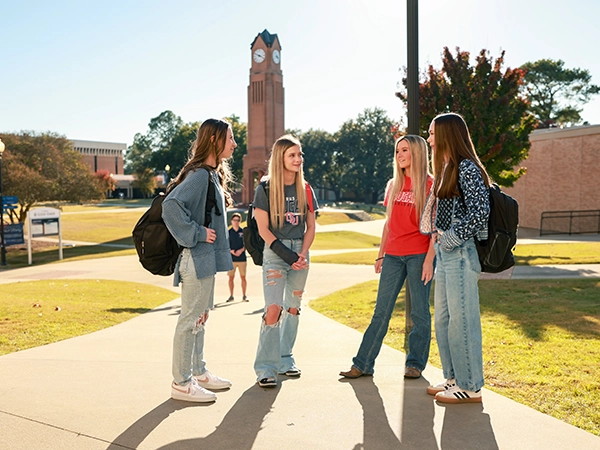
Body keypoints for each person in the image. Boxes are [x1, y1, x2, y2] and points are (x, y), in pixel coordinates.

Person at [340, 135, 435, 381]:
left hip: (419, 254)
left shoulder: (430, 185)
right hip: (393, 255)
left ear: (417, 152)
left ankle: (415, 364)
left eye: (404, 150)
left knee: (420, 313)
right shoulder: (394, 184)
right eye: (397, 151)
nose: (399, 155)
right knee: (381, 311)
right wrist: (380, 255)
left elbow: (436, 228)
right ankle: (362, 364)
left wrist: (428, 260)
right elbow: (388, 224)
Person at [162, 118, 237, 403]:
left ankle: (198, 372)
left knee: (200, 319)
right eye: (230, 138)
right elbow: (171, 206)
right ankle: (181, 384)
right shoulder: (199, 176)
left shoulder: (211, 176)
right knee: (190, 319)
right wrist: (196, 232)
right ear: (216, 141)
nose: (234, 143)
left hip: (205, 261)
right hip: (195, 259)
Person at [424, 112, 490, 404]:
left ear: (448, 135)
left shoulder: (467, 169)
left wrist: (449, 238)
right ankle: (453, 378)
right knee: (445, 320)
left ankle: (470, 385)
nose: (429, 139)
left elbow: (480, 212)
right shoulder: (449, 167)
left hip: (461, 254)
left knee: (462, 321)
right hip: (447, 253)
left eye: (433, 133)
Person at [252, 134, 318, 388]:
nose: (298, 159)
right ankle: (265, 368)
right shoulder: (266, 188)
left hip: (301, 252)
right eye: (292, 155)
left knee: (293, 307)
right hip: (276, 255)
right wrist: (288, 256)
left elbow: (311, 226)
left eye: (300, 154)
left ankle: (285, 358)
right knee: (273, 309)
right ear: (281, 158)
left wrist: (302, 253)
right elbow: (263, 230)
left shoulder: (306, 189)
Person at [226, 212, 248, 302]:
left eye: (238, 220)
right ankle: (231, 295)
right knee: (231, 277)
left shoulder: (243, 232)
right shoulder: (228, 232)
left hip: (242, 258)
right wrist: (232, 251)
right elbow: (225, 245)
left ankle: (244, 295)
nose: (236, 222)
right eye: (234, 220)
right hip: (231, 259)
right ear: (231, 221)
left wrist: (241, 250)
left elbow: (247, 244)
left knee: (243, 277)